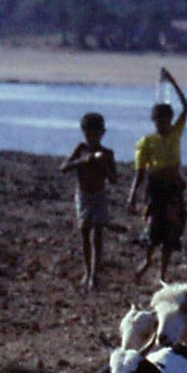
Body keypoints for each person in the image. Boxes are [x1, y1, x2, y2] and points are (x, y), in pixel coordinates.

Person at [127, 67, 187, 281]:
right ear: (153, 121)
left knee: (172, 230)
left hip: (173, 186)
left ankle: (163, 273)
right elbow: (140, 172)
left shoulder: (175, 133)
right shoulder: (147, 142)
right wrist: (132, 196)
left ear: (169, 120)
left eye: (165, 120)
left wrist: (172, 82)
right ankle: (147, 260)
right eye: (159, 121)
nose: (162, 124)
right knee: (154, 229)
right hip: (155, 188)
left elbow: (186, 106)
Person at [60, 112, 119, 289]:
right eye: (89, 134)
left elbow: (114, 178)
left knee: (97, 234)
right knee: (85, 232)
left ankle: (94, 274)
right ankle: (87, 271)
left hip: (99, 195)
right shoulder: (81, 149)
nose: (92, 138)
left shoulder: (107, 153)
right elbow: (64, 167)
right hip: (83, 195)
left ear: (102, 133)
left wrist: (103, 166)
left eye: (95, 134)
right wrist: (82, 161)